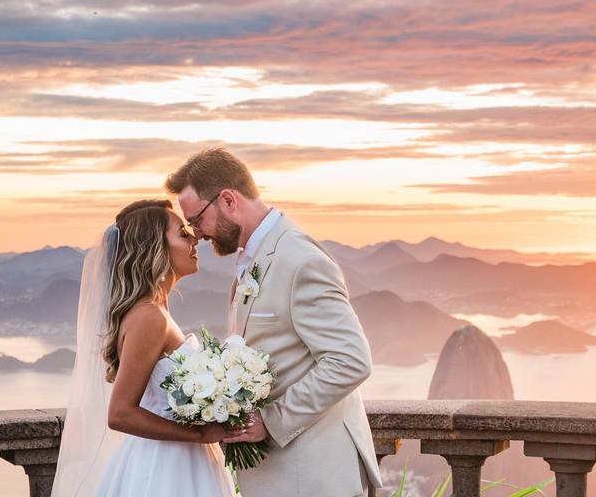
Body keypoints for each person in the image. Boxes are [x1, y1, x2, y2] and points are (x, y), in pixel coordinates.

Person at [166, 148, 382, 496]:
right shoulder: (252, 258)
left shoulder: (300, 260)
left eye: (197, 220)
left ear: (228, 200)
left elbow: (350, 360)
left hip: (313, 473)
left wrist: (271, 419)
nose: (197, 235)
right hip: (282, 473)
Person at [52, 199, 237, 497]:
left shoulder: (155, 311)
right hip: (165, 469)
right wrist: (200, 433)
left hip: (178, 460)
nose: (195, 239)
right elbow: (121, 413)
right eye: (182, 233)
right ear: (154, 248)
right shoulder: (149, 316)